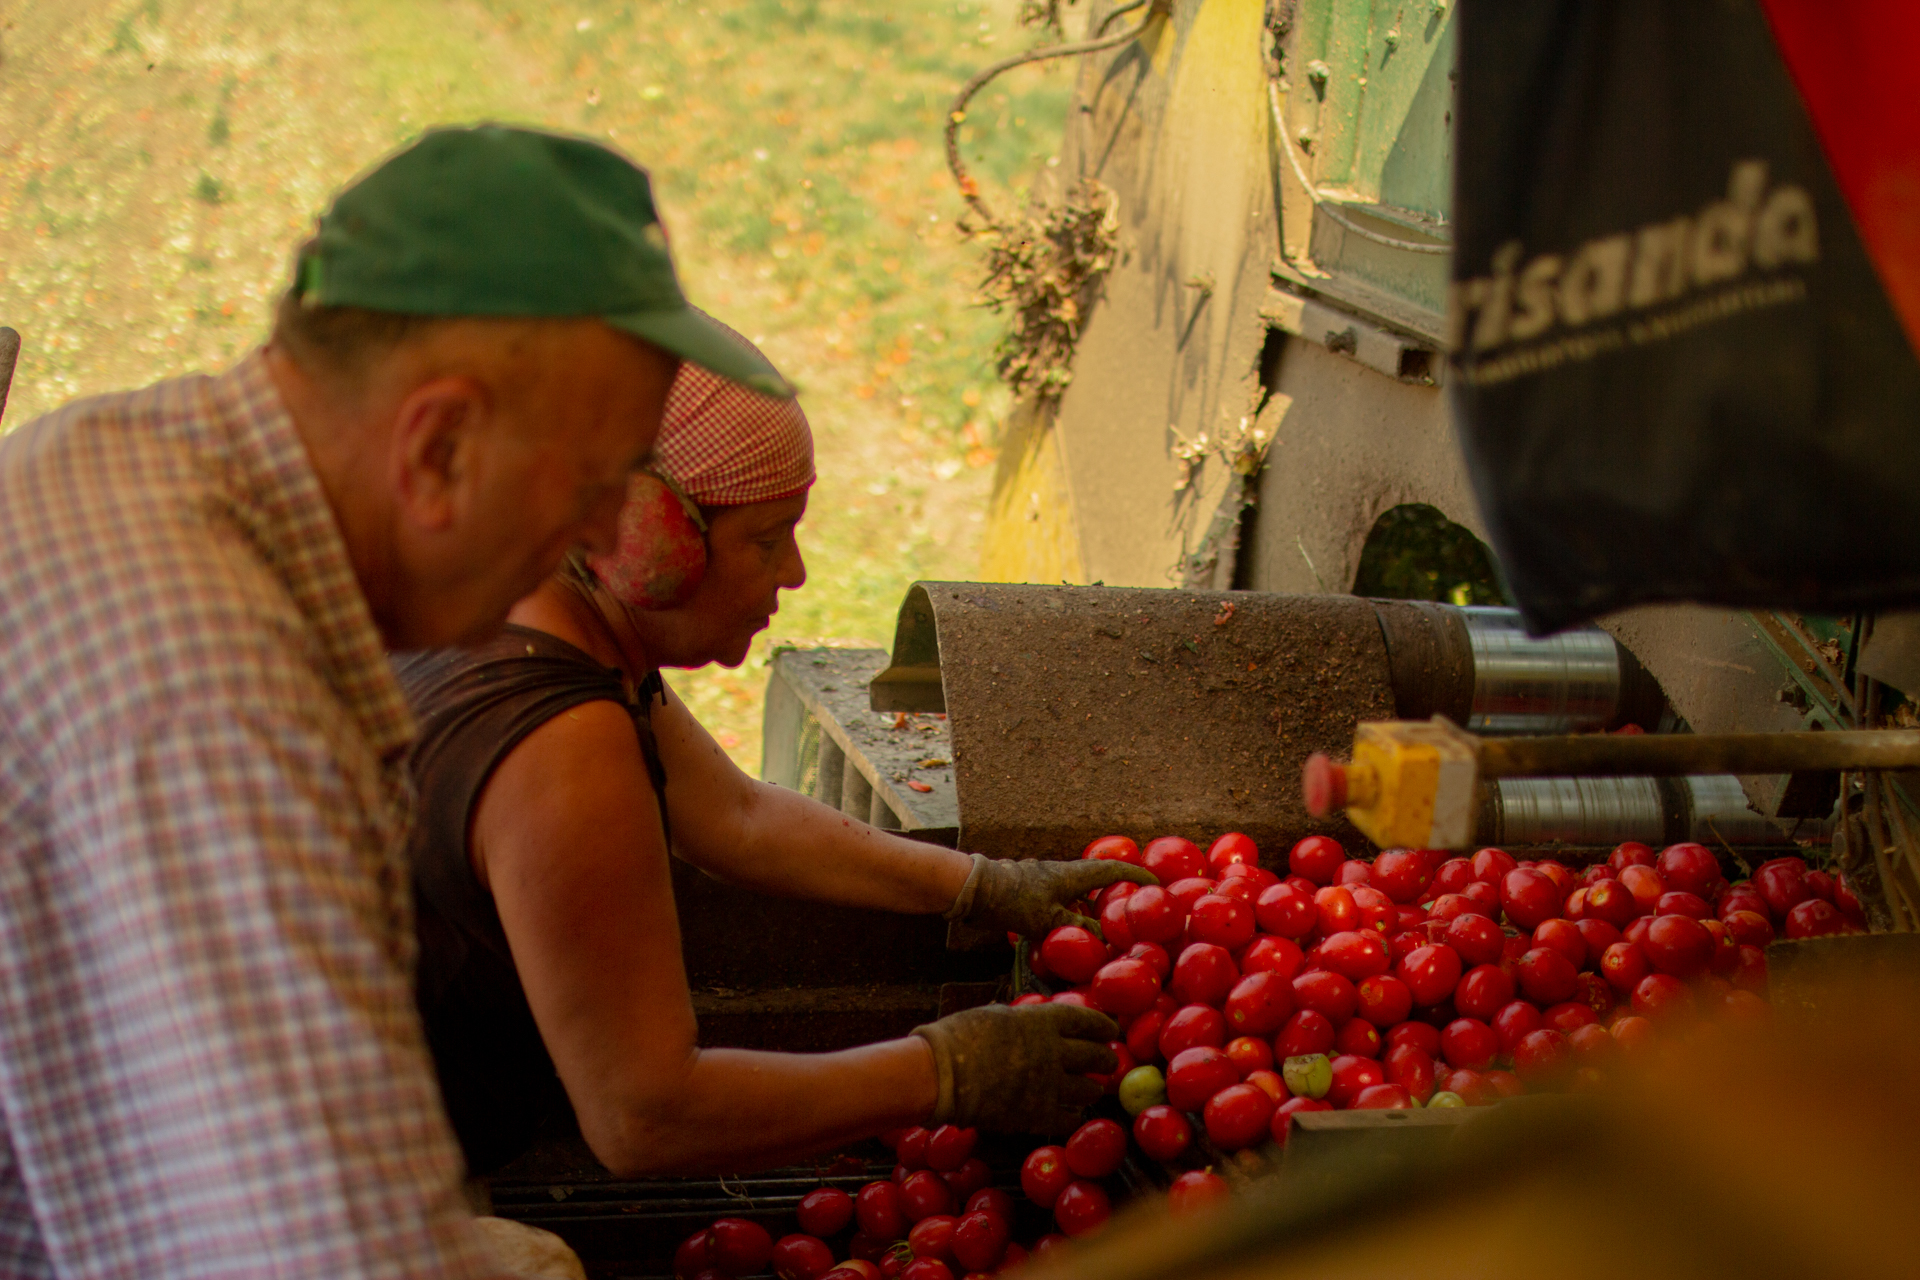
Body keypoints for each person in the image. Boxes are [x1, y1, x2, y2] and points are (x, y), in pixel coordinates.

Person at [0, 124, 792, 1278]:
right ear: (438, 444)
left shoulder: (109, 446)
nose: (592, 537)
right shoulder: (226, 713)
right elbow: (310, 1253)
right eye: (586, 486)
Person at [396, 356, 1153, 1180]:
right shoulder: (562, 748)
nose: (792, 572)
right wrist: (945, 1070)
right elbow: (644, 1117)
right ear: (647, 538)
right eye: (765, 539)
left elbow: (737, 818)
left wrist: (981, 884)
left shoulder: (536, 602)